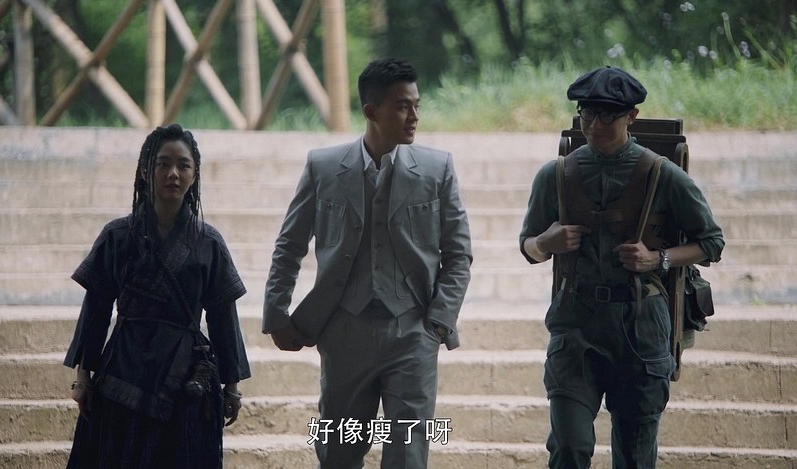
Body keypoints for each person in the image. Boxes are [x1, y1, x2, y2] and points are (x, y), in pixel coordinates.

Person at [263, 58, 473, 469]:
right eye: (402, 106)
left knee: (408, 456)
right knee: (337, 454)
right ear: (371, 111)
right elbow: (289, 245)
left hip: (413, 330)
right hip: (343, 330)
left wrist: (436, 323)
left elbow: (458, 254)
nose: (414, 116)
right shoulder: (323, 167)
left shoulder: (437, 169)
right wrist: (276, 313)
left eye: (416, 105)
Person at [519, 66, 725, 468]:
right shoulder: (556, 174)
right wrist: (546, 242)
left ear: (631, 116)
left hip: (640, 326)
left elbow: (711, 242)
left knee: (634, 453)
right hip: (575, 325)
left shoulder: (663, 175)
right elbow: (528, 247)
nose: (595, 125)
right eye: (587, 114)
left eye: (607, 116)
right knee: (570, 446)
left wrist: (658, 258)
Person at [63, 124, 251, 468]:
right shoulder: (117, 236)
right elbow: (95, 310)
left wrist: (232, 386)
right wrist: (83, 377)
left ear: (194, 174)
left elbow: (224, 318)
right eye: (163, 164)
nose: (173, 174)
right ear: (145, 171)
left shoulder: (209, 243)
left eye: (183, 165)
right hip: (123, 370)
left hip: (185, 377)